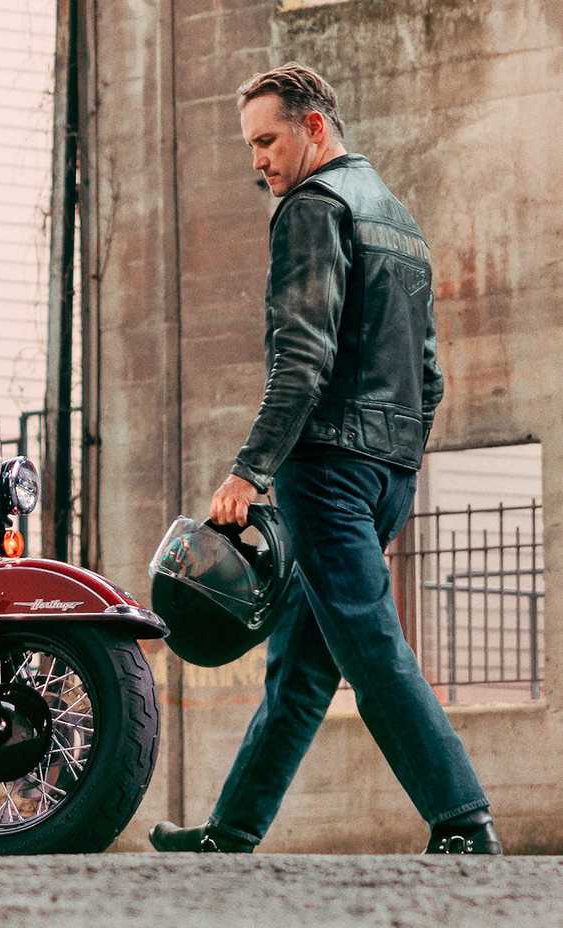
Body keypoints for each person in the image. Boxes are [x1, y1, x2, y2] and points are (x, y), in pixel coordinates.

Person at [149, 63, 500, 855]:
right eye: (251, 147)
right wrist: (400, 461)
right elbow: (430, 371)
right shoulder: (397, 219)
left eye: (268, 140)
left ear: (315, 127)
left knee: (371, 646)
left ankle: (462, 820)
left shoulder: (314, 209)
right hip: (387, 470)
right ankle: (232, 831)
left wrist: (249, 470)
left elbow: (299, 360)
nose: (258, 162)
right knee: (303, 666)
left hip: (330, 470)